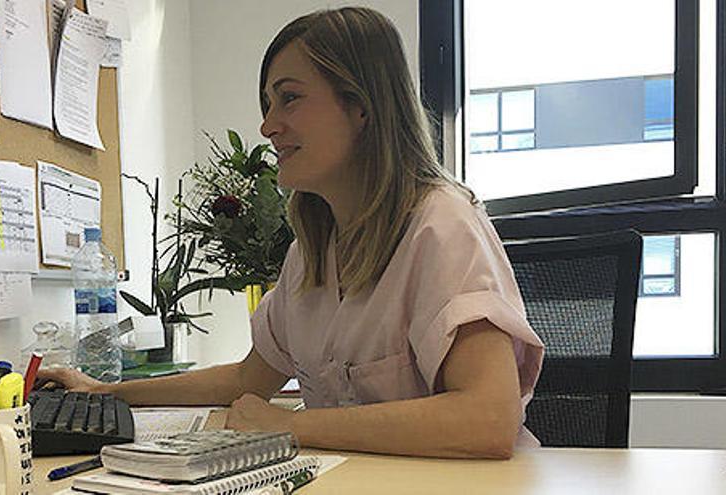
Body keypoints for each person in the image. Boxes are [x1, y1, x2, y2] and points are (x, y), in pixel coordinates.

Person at [38, 6, 544, 459]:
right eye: (268, 104)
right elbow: (245, 379)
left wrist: (292, 426)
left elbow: (488, 419)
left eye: (290, 99)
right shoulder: (310, 253)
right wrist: (103, 394)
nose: (268, 126)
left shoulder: (441, 226)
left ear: (361, 106)